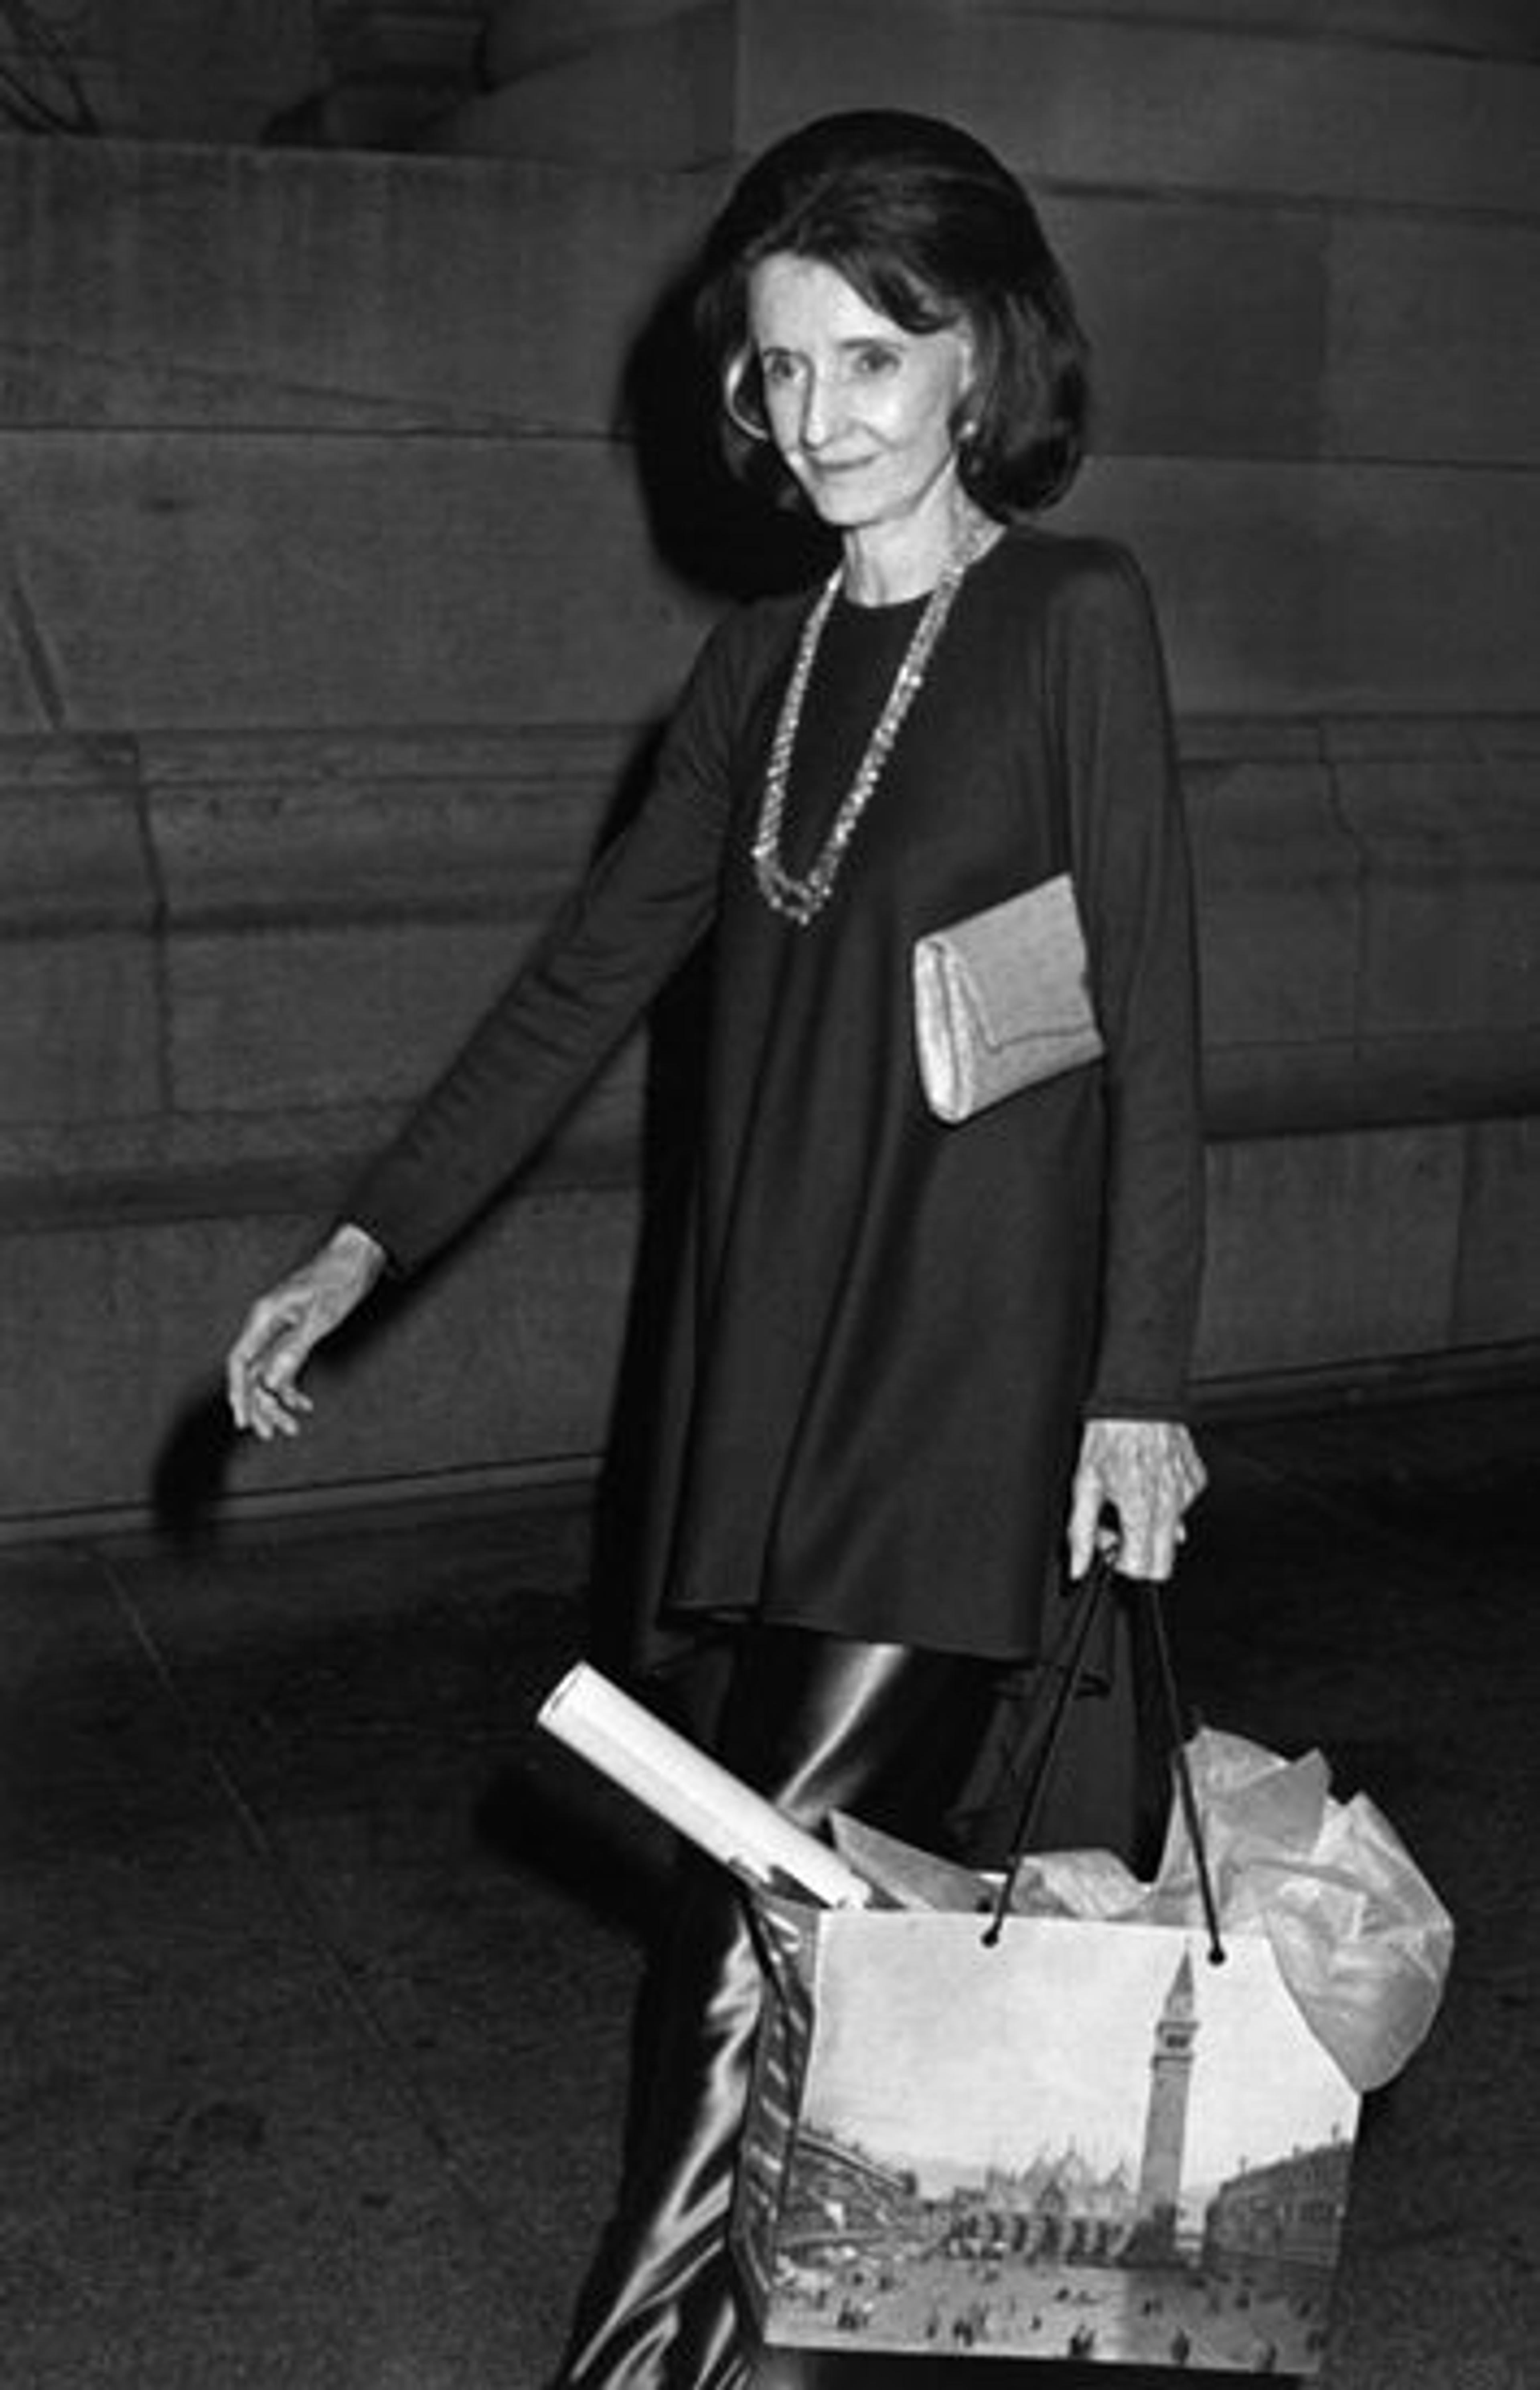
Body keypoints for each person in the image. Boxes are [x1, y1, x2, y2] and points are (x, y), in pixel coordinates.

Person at [225, 111, 1206, 2390]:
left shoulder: (1075, 616)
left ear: (980, 359)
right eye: (781, 371)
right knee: (797, 1932)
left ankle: (635, 2366)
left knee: (758, 1925)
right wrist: (365, 1240)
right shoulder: (755, 673)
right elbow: (582, 980)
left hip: (965, 1384)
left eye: (875, 358)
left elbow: (1151, 1016)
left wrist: (1143, 1377)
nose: (822, 416)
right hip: (768, 1375)